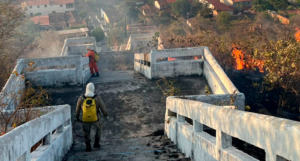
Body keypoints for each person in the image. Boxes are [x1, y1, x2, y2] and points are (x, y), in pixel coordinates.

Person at [76, 83, 108, 152]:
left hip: (85, 120)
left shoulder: (81, 98)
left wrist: (77, 117)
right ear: (93, 89)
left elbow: (77, 109)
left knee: (86, 132)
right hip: (95, 119)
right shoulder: (97, 98)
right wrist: (105, 114)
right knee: (99, 128)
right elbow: (103, 108)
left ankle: (88, 146)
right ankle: (96, 143)